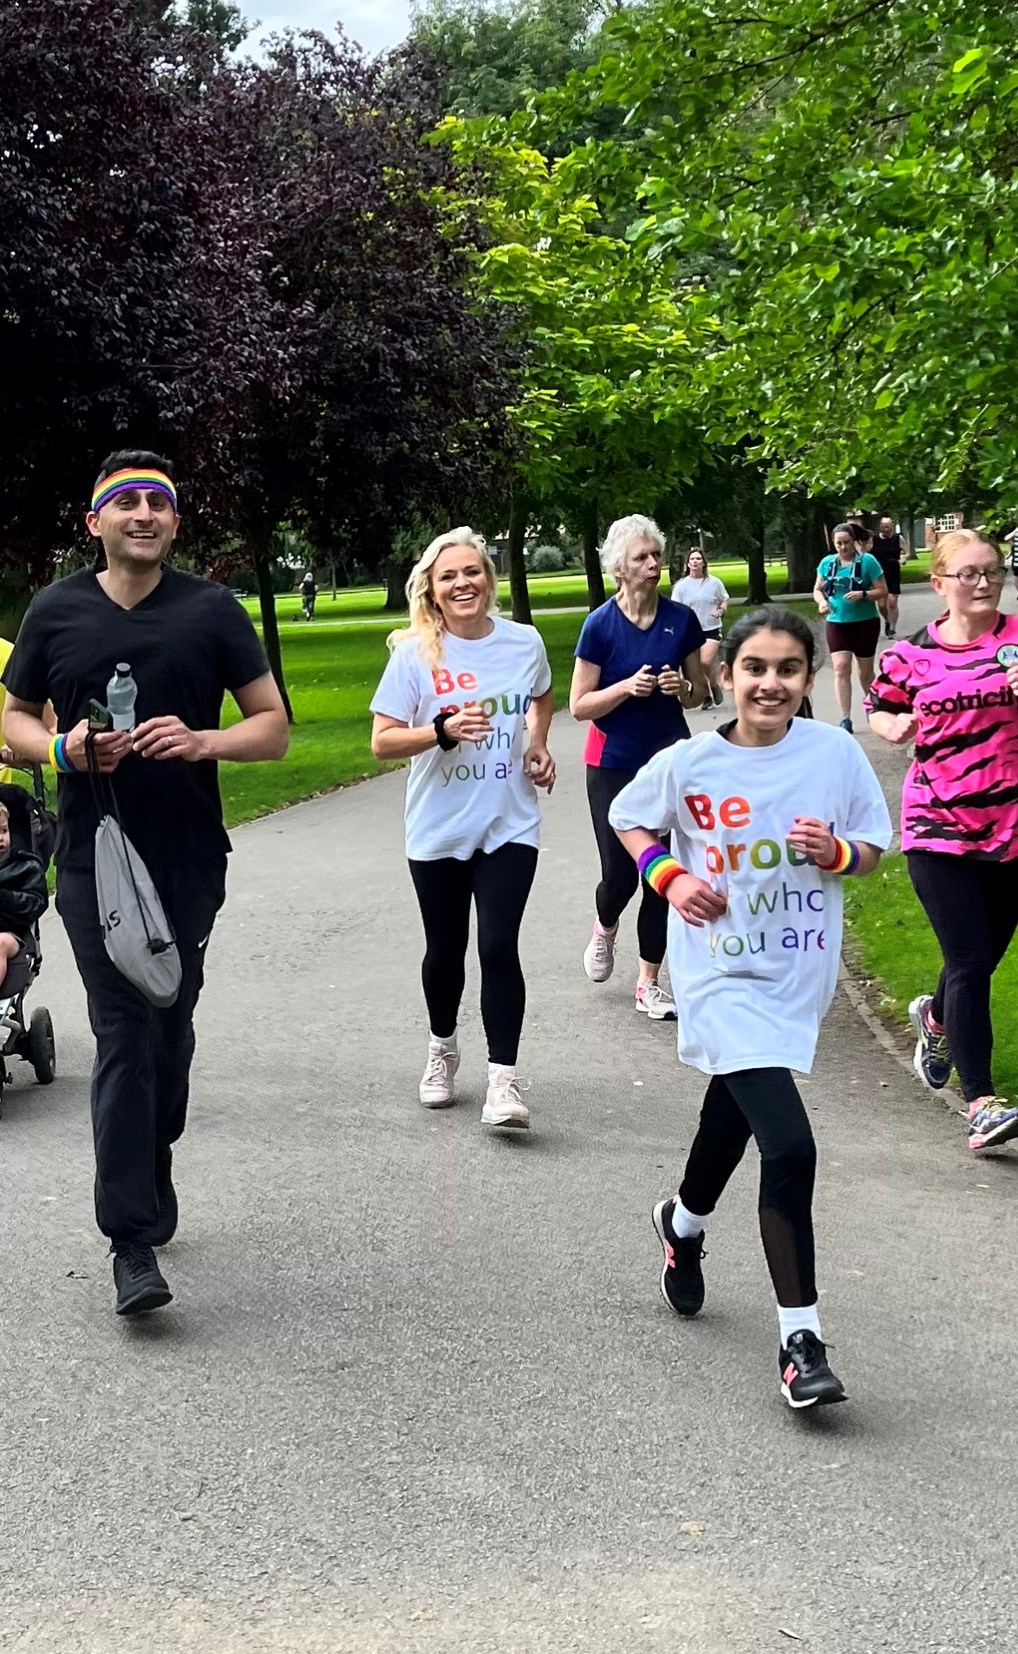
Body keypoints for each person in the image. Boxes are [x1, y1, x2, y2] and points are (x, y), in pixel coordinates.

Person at [2, 450, 289, 1317]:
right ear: (96, 522)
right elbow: (15, 720)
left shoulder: (211, 611)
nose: (142, 515)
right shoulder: (56, 612)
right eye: (124, 502)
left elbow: (272, 728)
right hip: (95, 858)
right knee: (123, 1031)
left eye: (157, 504)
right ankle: (129, 1242)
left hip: (189, 858)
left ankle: (153, 1149)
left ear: (173, 522)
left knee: (170, 1026)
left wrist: (203, 742)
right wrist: (64, 749)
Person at [609, 607, 891, 1408]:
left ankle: (683, 1224)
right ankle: (800, 1343)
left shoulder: (834, 754)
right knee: (791, 1147)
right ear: (726, 675)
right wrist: (669, 877)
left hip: (796, 974)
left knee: (731, 1114)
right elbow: (628, 817)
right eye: (755, 669)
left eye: (789, 670)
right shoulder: (690, 761)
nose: (771, 684)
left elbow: (872, 846)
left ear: (807, 679)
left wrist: (835, 853)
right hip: (719, 973)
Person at [370, 528, 555, 1130]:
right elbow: (381, 741)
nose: (462, 583)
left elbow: (543, 696)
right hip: (438, 825)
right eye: (449, 576)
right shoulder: (415, 655)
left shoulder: (523, 642)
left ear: (488, 579)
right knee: (445, 950)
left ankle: (503, 1080)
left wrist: (539, 745)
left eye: (472, 572)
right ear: (432, 589)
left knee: (499, 946)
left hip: (509, 820)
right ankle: (442, 1050)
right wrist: (441, 731)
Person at [867, 528, 1018, 1152]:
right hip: (938, 823)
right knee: (969, 960)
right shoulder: (909, 655)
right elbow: (880, 705)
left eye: (994, 571)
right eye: (969, 574)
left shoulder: (1016, 641)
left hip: (1011, 823)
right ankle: (980, 1101)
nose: (983, 583)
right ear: (940, 584)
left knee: (984, 954)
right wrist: (893, 723)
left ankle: (935, 1019)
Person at [570, 514, 706, 1020]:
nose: (654, 565)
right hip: (612, 763)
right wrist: (626, 688)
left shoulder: (681, 619)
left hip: (670, 763)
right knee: (622, 876)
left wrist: (682, 689)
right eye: (641, 559)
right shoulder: (600, 625)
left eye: (656, 556)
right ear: (619, 571)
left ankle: (648, 981)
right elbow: (579, 704)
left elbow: (702, 693)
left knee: (665, 875)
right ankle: (605, 926)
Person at [813, 523, 887, 733]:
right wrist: (821, 602)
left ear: (854, 542)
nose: (843, 547)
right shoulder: (827, 563)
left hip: (865, 622)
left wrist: (863, 594)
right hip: (837, 623)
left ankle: (872, 707)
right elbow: (817, 589)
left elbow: (882, 590)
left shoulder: (867, 561)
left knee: (865, 672)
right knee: (841, 668)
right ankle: (845, 717)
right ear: (833, 544)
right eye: (839, 543)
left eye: (846, 543)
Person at [671, 549, 729, 707]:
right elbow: (676, 608)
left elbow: (724, 600)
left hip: (711, 628)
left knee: (705, 662)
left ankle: (714, 684)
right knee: (693, 669)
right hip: (690, 631)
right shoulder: (681, 587)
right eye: (692, 559)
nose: (695, 561)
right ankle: (706, 697)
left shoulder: (714, 583)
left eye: (698, 559)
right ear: (688, 563)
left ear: (704, 563)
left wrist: (721, 610)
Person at [0, 800, 48, 990]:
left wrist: (6, 898)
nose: (0, 838)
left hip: (11, 935)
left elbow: (37, 903)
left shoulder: (25, 866)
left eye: (3, 831)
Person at [870, 515, 907, 639]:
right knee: (881, 605)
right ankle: (887, 620)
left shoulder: (898, 538)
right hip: (878, 574)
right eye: (884, 527)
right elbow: (864, 553)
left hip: (893, 572)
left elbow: (906, 552)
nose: (886, 530)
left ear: (892, 527)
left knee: (892, 601)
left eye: (888, 527)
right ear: (880, 527)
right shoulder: (874, 539)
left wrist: (903, 559)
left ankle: (892, 628)